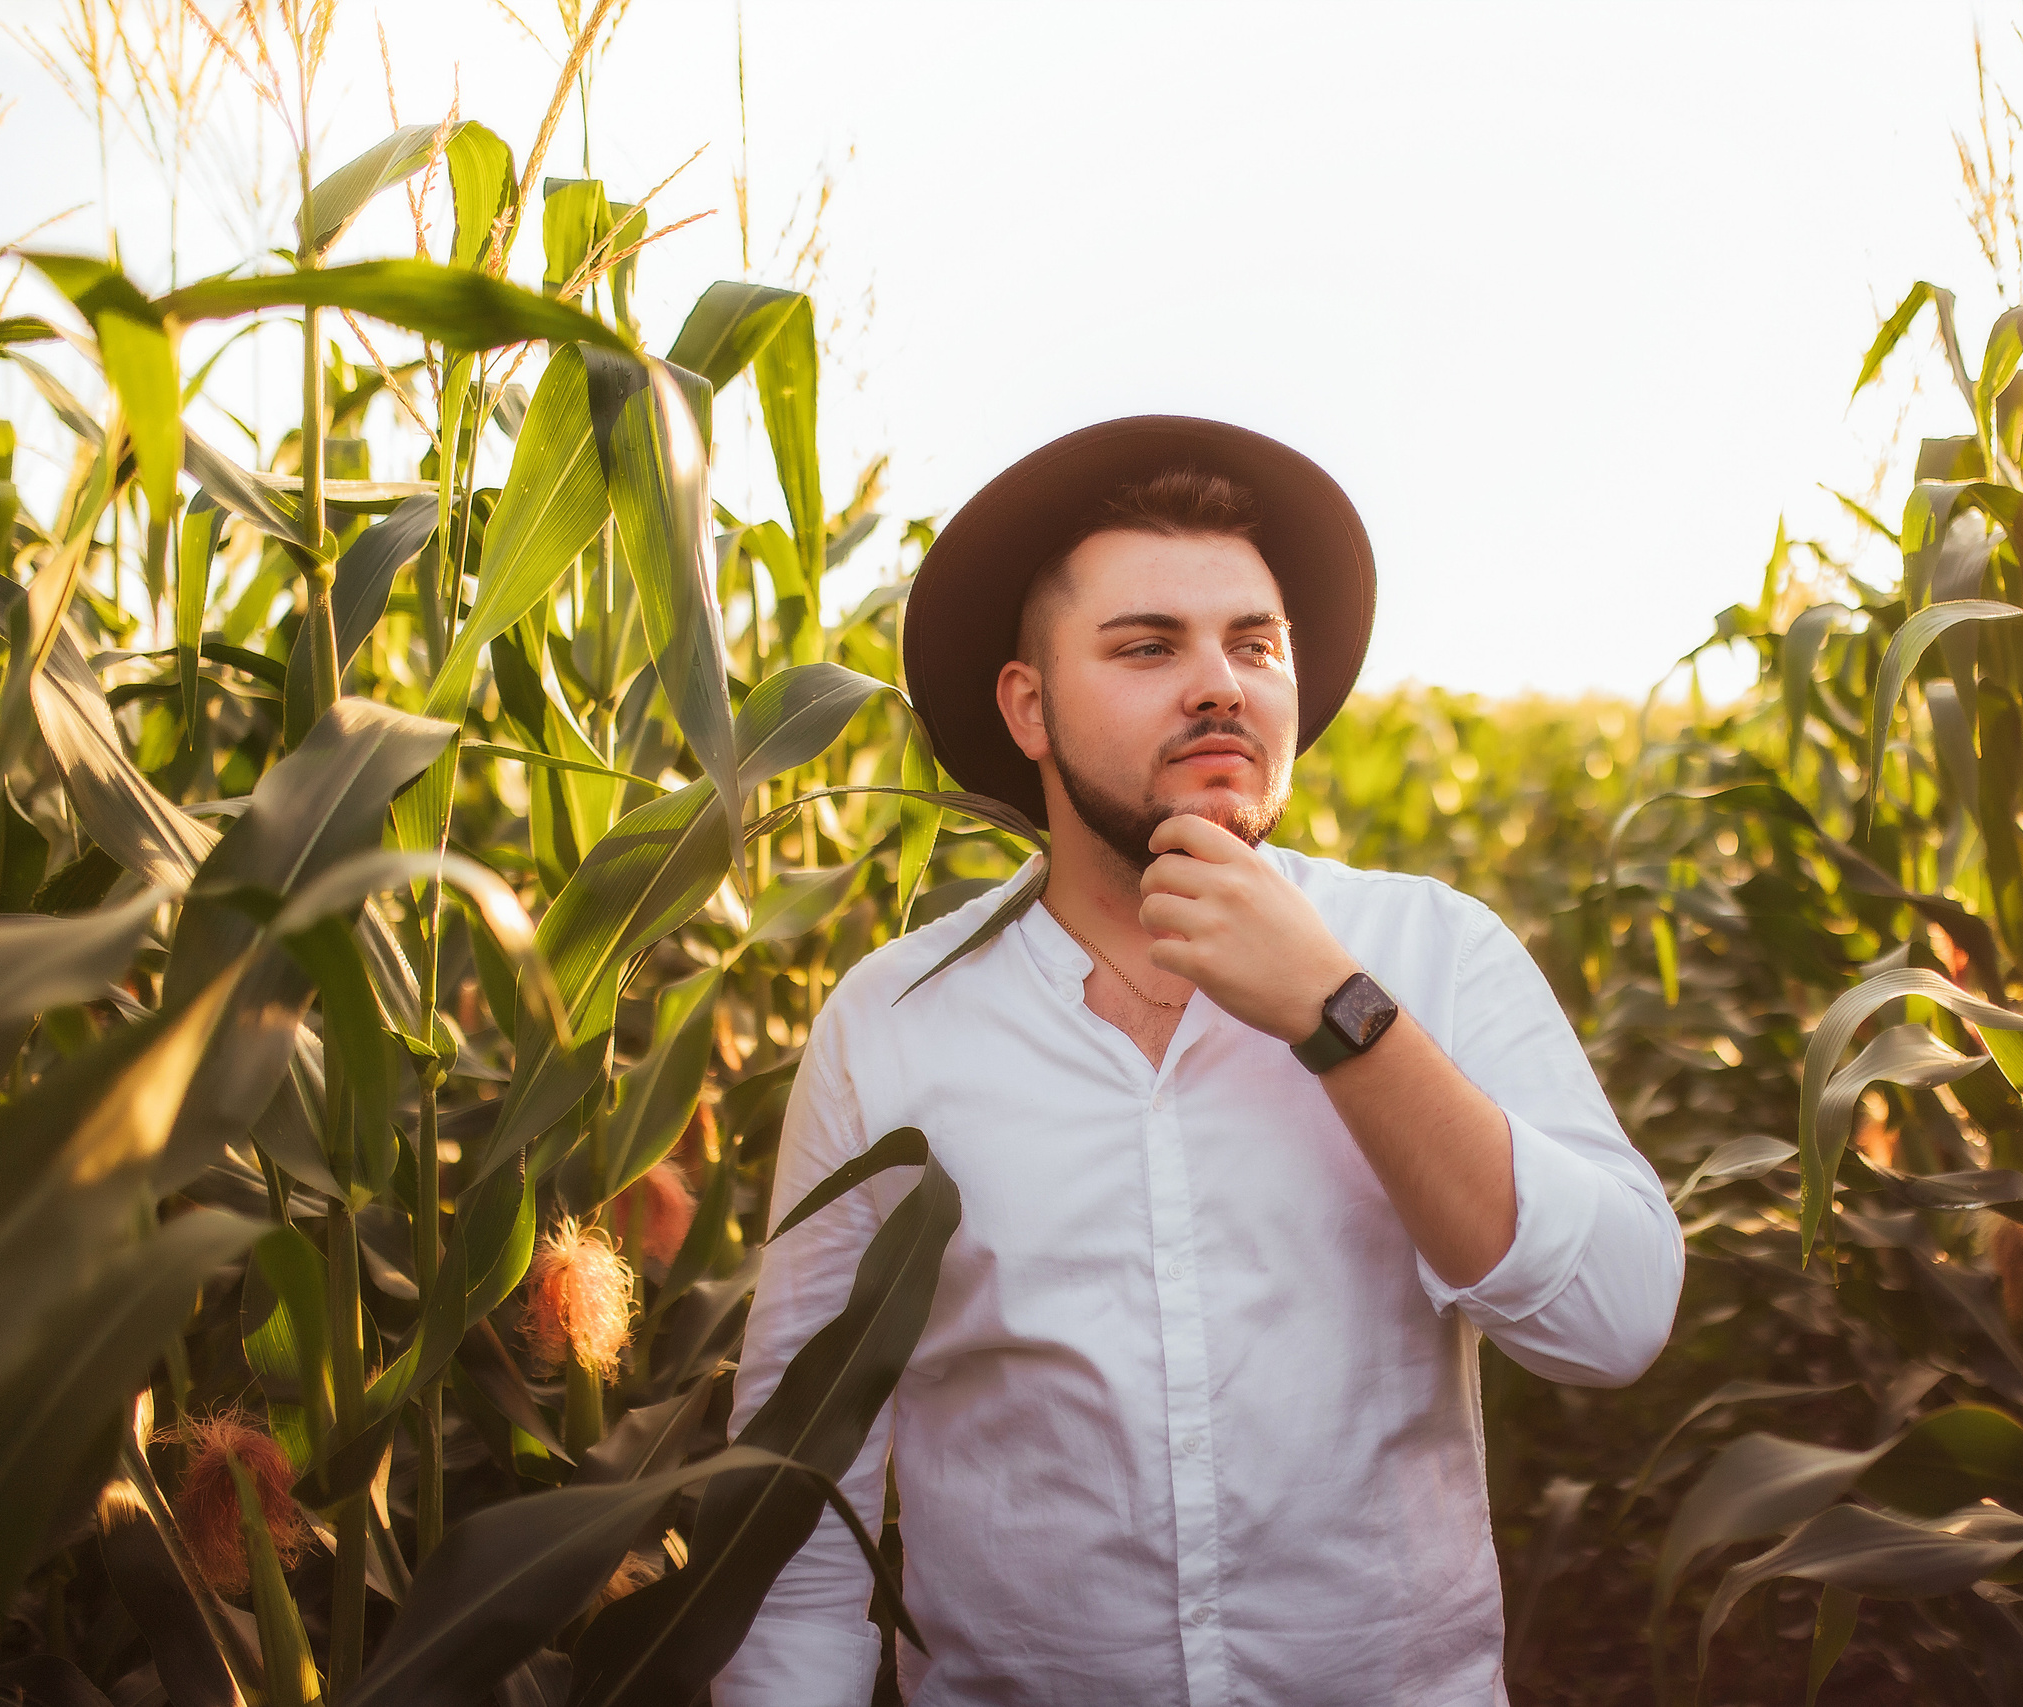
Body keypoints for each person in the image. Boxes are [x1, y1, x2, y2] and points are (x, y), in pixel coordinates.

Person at [714, 417, 1684, 1707]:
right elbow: (800, 1495)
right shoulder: (892, 1026)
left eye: (1256, 643)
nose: (1221, 682)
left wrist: (1336, 1013)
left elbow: (1613, 1321)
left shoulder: (1429, 952)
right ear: (1028, 707)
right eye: (1147, 646)